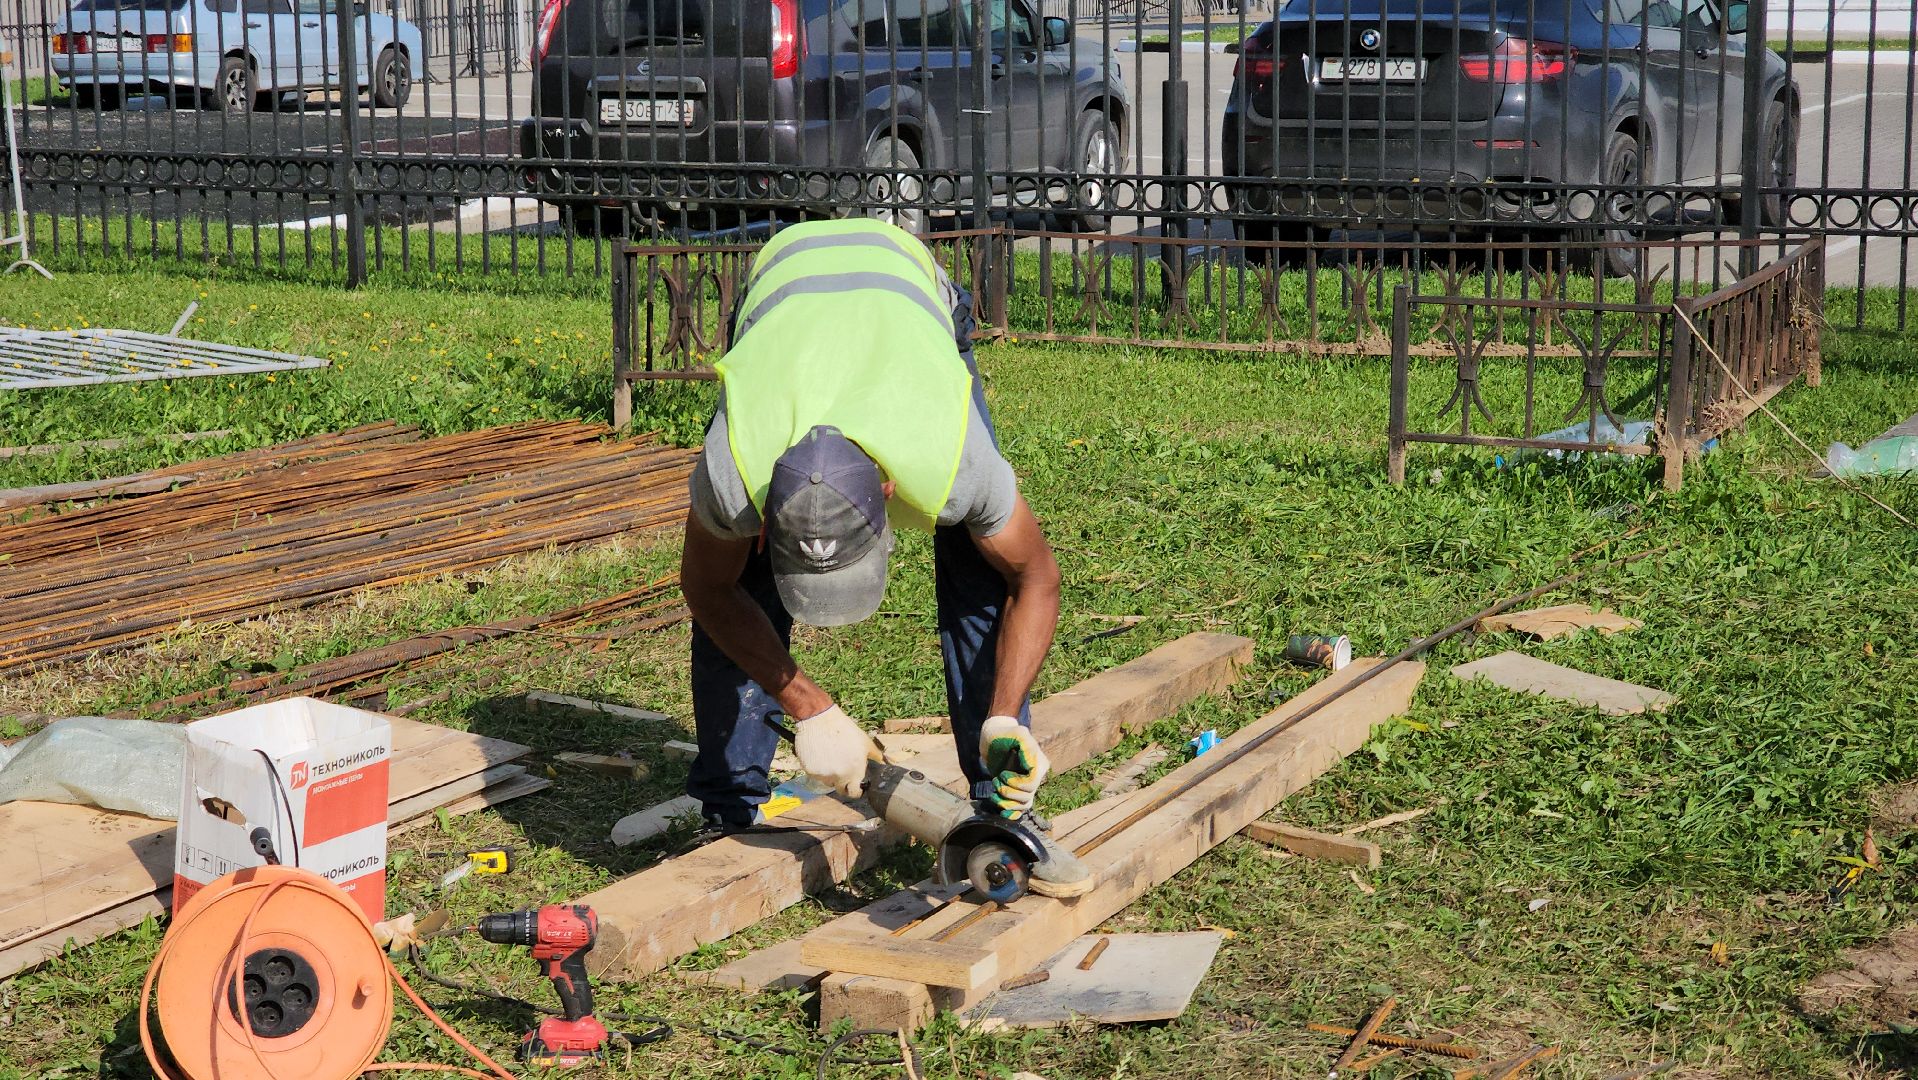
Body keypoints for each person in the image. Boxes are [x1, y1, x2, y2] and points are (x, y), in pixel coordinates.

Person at [677, 217, 1089, 897]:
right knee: (739, 577)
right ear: (768, 515)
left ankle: (1002, 805)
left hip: (906, 283)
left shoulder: (952, 457)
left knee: (978, 566)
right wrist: (808, 707)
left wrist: (1004, 713)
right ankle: (729, 811)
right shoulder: (735, 472)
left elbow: (1033, 575)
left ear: (889, 489)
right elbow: (706, 588)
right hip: (783, 289)